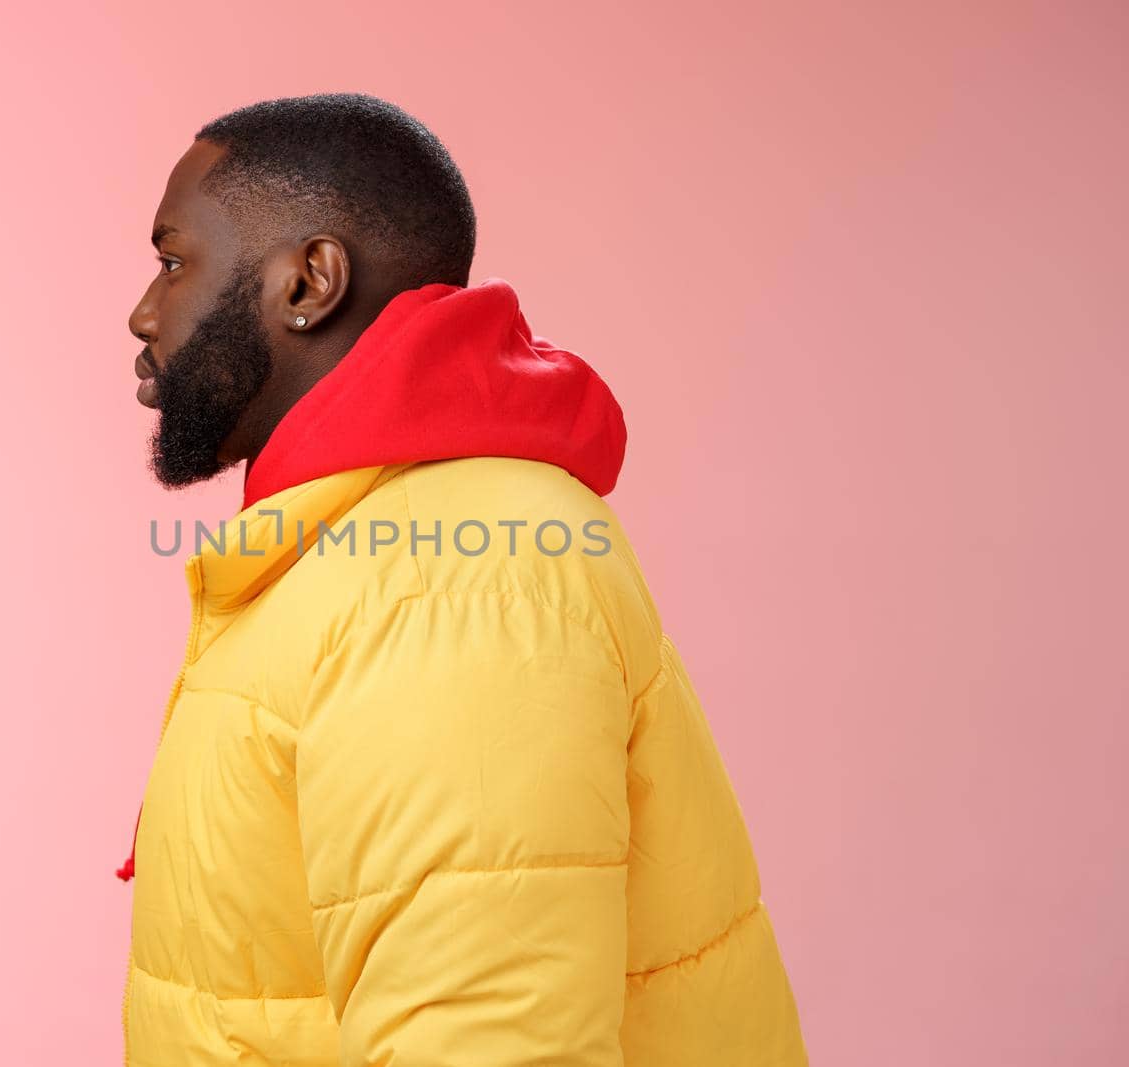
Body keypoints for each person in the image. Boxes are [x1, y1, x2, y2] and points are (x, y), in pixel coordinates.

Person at [119, 91, 807, 1066]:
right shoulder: (356, 543)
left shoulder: (445, 582)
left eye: (173, 261)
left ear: (307, 283)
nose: (144, 313)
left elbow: (490, 1038)